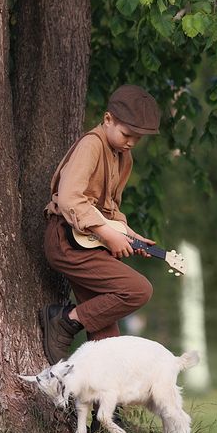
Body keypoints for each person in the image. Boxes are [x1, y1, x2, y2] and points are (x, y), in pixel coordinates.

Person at [39, 84, 161, 366]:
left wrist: (128, 235)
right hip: (67, 240)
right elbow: (71, 199)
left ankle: (106, 407)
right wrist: (107, 232)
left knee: (107, 338)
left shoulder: (123, 156)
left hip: (89, 242)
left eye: (137, 138)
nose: (131, 142)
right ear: (108, 120)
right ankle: (65, 320)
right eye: (127, 134)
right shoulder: (91, 145)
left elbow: (109, 209)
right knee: (138, 289)